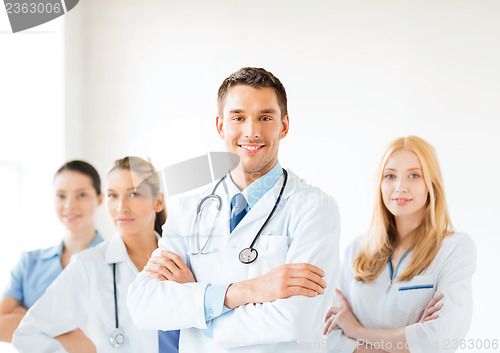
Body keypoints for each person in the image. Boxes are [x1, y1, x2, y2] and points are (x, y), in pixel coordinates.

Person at [127, 67, 340, 352]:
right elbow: (145, 305)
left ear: (284, 126)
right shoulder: (189, 210)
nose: (251, 131)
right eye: (238, 117)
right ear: (220, 126)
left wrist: (200, 308)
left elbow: (295, 320)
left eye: (265, 117)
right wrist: (248, 290)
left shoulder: (314, 209)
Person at [324, 136, 476, 353]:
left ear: (431, 184)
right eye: (390, 176)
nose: (400, 186)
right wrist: (413, 339)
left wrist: (357, 331)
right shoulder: (356, 250)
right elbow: (327, 336)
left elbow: (441, 338)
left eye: (414, 175)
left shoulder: (454, 249)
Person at [13, 156, 180, 353]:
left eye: (134, 194)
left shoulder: (184, 257)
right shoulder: (88, 266)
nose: (121, 208)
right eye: (112, 196)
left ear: (158, 201)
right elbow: (27, 335)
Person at [0, 160, 103, 351]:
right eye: (61, 196)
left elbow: (96, 345)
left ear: (99, 199)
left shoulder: (113, 264)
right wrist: (72, 332)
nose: (69, 205)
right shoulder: (29, 262)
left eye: (81, 195)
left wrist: (29, 321)